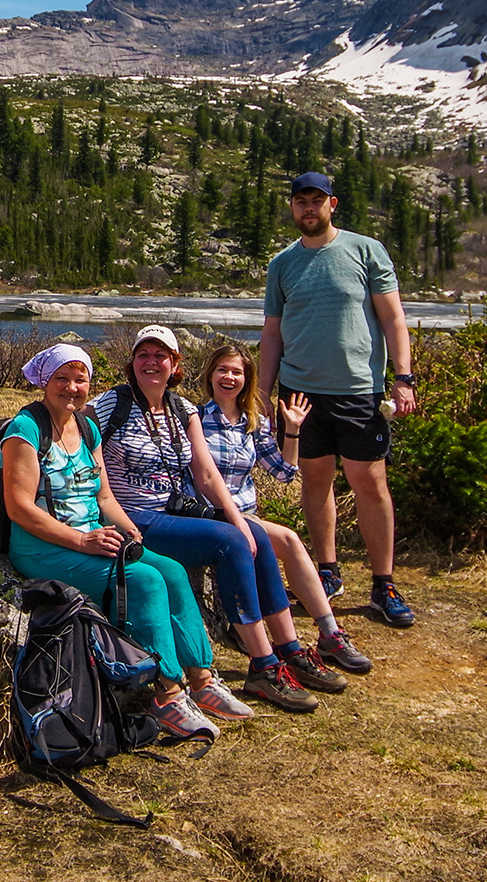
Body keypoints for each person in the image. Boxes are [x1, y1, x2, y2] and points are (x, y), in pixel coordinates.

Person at [93, 326, 328, 713]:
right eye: (143, 355)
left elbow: (205, 474)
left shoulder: (182, 409)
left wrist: (236, 517)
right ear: (132, 362)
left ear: (175, 364)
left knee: (252, 533)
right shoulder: (110, 405)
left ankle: (288, 650)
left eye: (160, 356)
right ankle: (263, 666)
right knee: (230, 541)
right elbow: (80, 445)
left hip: (172, 511)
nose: (151, 363)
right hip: (133, 517)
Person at [0, 344, 221, 741]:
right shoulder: (26, 429)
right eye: (61, 379)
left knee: (169, 570)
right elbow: (18, 508)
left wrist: (128, 529)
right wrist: (81, 540)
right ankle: (167, 693)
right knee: (146, 581)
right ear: (44, 382)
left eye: (80, 379)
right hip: (43, 547)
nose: (71, 388)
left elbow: (103, 498)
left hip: (92, 537)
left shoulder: (87, 427)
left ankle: (202, 679)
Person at [258, 171, 419, 628]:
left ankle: (383, 583)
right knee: (315, 480)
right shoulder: (282, 264)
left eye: (316, 201)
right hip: (301, 393)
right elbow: (272, 335)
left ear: (333, 204)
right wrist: (263, 394)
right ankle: (326, 572)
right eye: (300, 202)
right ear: (292, 208)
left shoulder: (366, 250)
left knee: (370, 483)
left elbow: (393, 320)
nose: (308, 209)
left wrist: (402, 378)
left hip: (358, 390)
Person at [198, 343, 373, 681]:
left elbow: (284, 472)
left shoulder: (254, 422)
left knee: (291, 541)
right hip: (213, 515)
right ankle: (284, 646)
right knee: (279, 538)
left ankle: (329, 634)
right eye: (223, 370)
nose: (229, 378)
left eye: (237, 372)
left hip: (247, 515)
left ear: (247, 379)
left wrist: (292, 429)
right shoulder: (196, 418)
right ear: (210, 375)